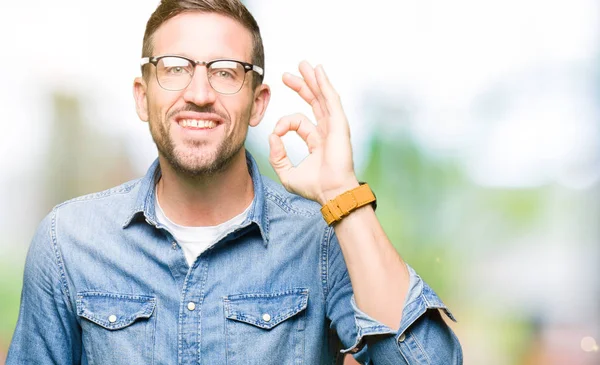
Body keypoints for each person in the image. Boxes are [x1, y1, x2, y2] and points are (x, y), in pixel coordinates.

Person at [7, 0, 462, 364]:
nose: (200, 94)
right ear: (142, 97)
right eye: (174, 67)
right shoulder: (67, 241)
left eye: (225, 71)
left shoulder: (323, 240)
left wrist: (341, 192)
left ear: (258, 103)